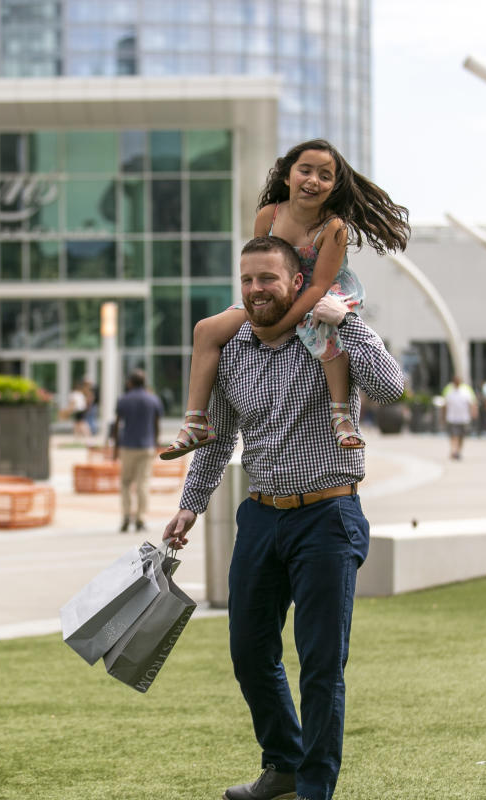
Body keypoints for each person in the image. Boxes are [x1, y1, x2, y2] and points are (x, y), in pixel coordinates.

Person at [164, 236, 404, 800]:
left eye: (267, 279)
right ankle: (285, 763)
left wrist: (344, 320)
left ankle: (315, 788)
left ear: (297, 281)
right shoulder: (233, 347)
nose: (255, 290)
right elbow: (216, 438)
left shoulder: (326, 335)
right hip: (261, 517)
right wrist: (190, 505)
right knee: (249, 651)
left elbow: (391, 390)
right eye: (247, 280)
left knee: (321, 664)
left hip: (327, 515)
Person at [161, 138, 408, 460]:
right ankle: (195, 421)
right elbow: (258, 267)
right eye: (305, 170)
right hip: (279, 290)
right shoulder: (269, 216)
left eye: (324, 175)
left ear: (334, 186)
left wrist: (279, 325)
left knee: (323, 327)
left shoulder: (334, 228)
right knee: (206, 329)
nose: (313, 180)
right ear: (288, 176)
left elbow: (319, 287)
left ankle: (342, 415)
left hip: (321, 292)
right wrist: (259, 309)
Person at [111, 369, 163, 534]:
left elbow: (117, 425)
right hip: (147, 446)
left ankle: (126, 516)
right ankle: (141, 518)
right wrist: (155, 443)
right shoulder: (153, 399)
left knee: (126, 483)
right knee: (143, 483)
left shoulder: (124, 400)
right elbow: (156, 425)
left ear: (130, 383)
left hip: (128, 446)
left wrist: (115, 448)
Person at [441, 374, 477, 461]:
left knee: (461, 436)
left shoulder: (466, 389)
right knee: (454, 435)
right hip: (452, 418)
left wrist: (474, 412)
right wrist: (443, 416)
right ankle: (454, 451)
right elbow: (444, 405)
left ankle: (458, 451)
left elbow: (472, 402)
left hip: (464, 418)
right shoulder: (448, 389)